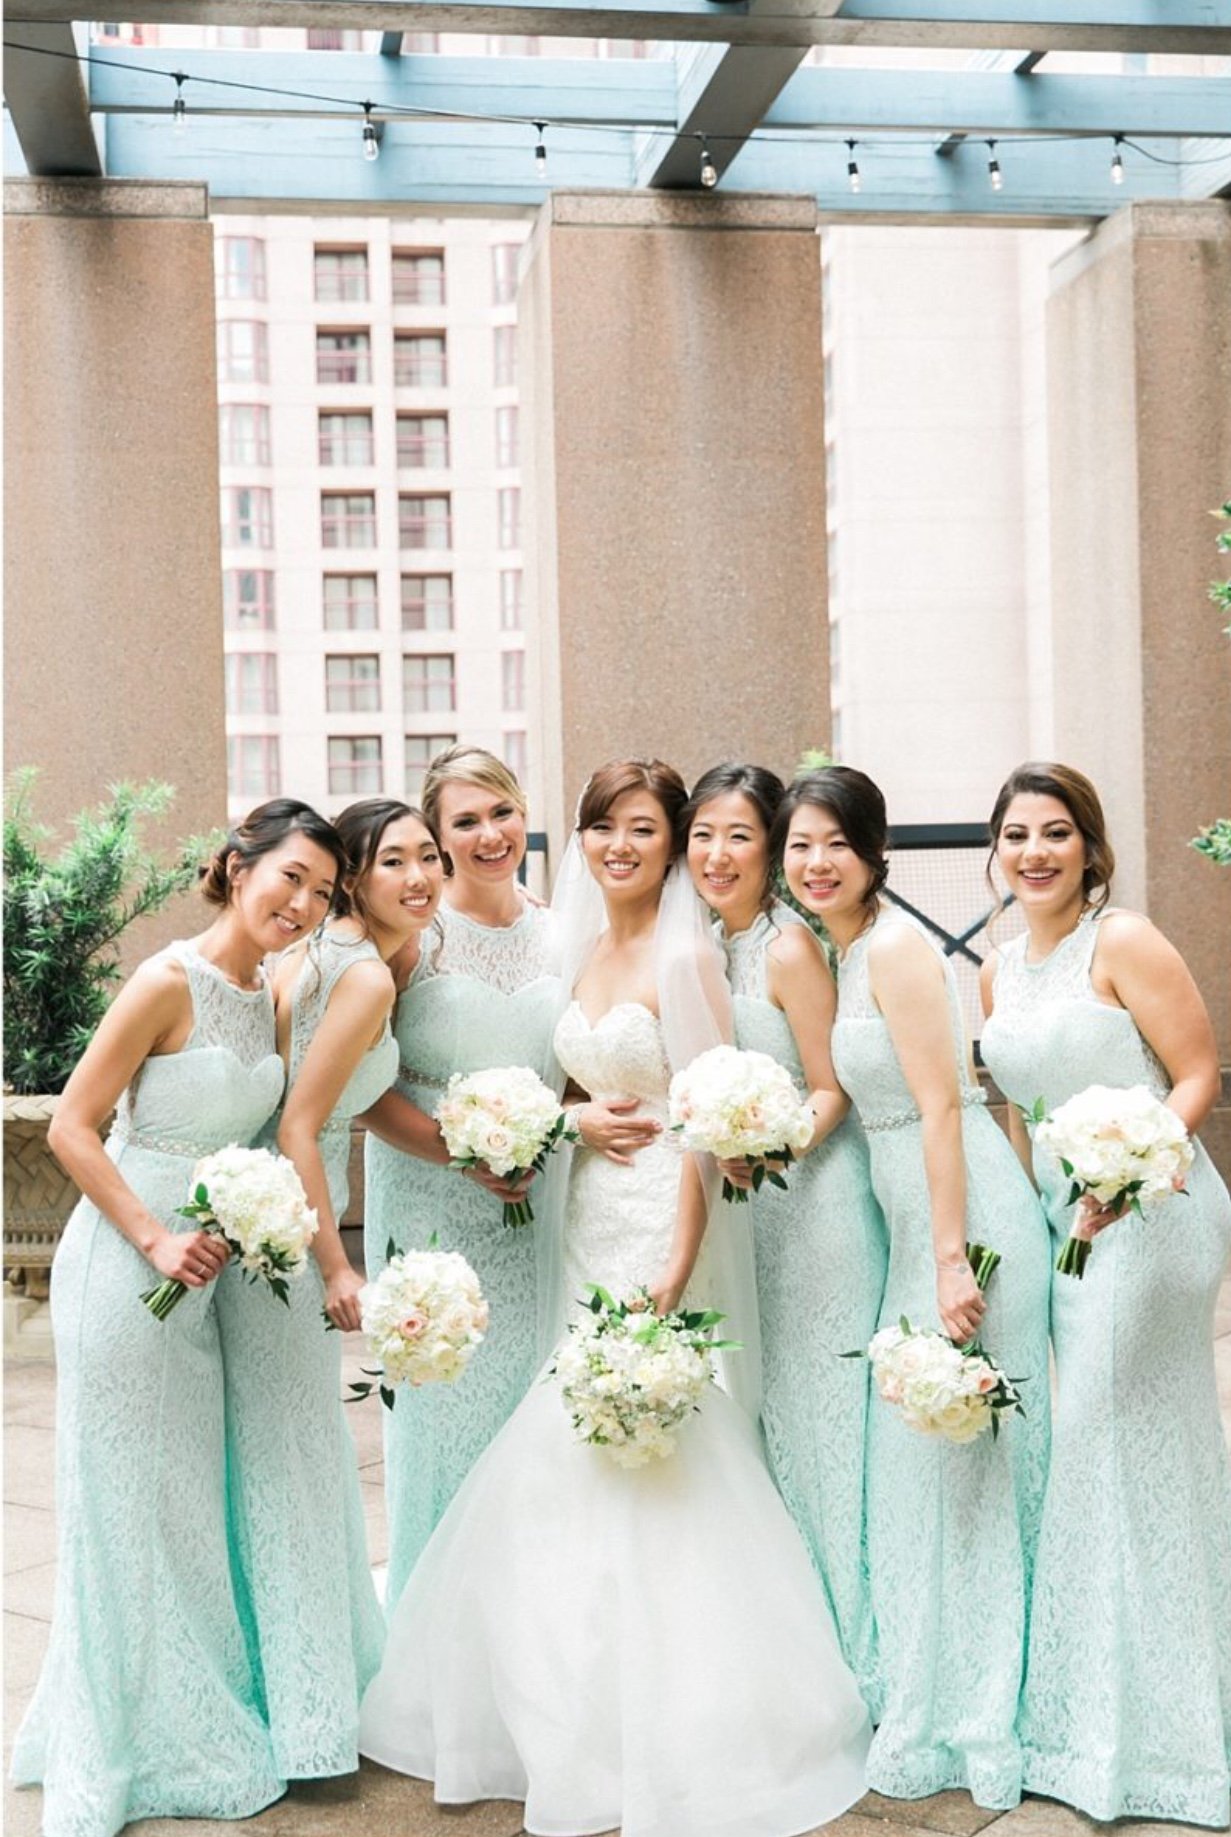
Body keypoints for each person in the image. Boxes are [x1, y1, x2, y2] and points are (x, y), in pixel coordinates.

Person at [358, 759, 871, 1837]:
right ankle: (559, 1688)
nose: (618, 846)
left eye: (642, 828)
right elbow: (574, 1088)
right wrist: (539, 1131)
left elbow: (703, 1120)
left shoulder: (687, 958)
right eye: (601, 827)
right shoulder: (581, 947)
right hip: (582, 1208)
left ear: (670, 840)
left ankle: (671, 1701)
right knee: (577, 1430)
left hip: (654, 1219)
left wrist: (676, 1266)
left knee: (646, 1425)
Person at [11, 800, 345, 1837]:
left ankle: (188, 1714)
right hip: (128, 1266)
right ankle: (113, 1741)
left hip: (203, 1278)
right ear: (237, 866)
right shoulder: (165, 982)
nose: (303, 903)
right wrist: (154, 1239)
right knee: (123, 1502)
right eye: (290, 876)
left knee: (185, 1502)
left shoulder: (265, 994)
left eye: (323, 892)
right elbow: (72, 1126)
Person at [778, 766, 1051, 1811]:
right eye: (799, 845)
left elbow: (942, 1105)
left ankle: (988, 1698)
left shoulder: (894, 947)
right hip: (912, 1225)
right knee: (920, 1468)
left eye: (834, 844)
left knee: (969, 1469)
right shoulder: (843, 950)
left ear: (873, 851)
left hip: (965, 1223)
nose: (815, 863)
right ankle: (922, 1677)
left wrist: (947, 1258)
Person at [980, 760, 1231, 1828]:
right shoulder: (995, 967)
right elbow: (1014, 1115)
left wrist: (1130, 1168)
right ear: (995, 851)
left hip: (1153, 1215)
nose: (1033, 852)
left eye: (1054, 832)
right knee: (1104, 1453)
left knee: (1100, 1436)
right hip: (1061, 1230)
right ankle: (1096, 1715)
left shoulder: (1123, 940)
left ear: (1088, 844)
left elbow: (1197, 1072)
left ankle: (1161, 1738)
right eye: (1015, 834)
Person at [217, 799, 443, 1782]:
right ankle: (311, 1716)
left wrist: (461, 1151)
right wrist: (336, 1264)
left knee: (280, 1459)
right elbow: (301, 1125)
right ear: (355, 876)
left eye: (428, 858)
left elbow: (356, 1097)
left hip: (264, 1215)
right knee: (298, 1467)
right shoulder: (361, 973)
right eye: (392, 861)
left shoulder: (341, 954)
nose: (419, 877)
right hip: (286, 1235)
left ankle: (297, 1691)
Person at [683, 761, 887, 1711]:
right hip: (750, 1214)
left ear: (768, 848)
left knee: (823, 1427)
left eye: (739, 835)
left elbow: (830, 1085)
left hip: (815, 1205)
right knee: (773, 1420)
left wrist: (770, 1145)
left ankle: (857, 1661)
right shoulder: (702, 948)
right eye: (703, 835)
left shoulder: (786, 948)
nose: (717, 855)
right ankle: (798, 1652)